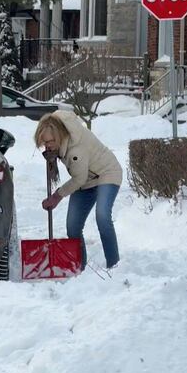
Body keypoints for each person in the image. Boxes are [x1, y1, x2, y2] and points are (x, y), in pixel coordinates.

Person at [34, 110, 123, 269]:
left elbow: (78, 179)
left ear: (60, 137)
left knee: (102, 217)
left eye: (50, 142)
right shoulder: (57, 124)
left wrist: (57, 196)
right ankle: (80, 268)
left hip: (106, 173)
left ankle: (114, 265)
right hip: (86, 180)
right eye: (44, 143)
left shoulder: (76, 150)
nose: (47, 146)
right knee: (73, 227)